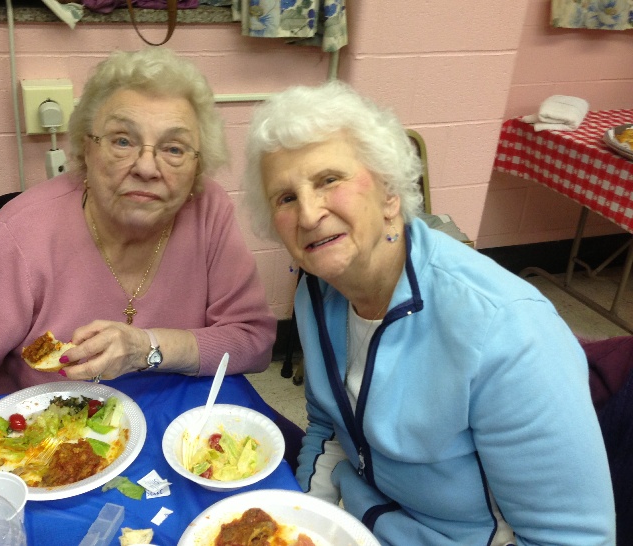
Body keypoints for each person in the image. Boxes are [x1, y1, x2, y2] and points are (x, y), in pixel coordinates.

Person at [0, 48, 276, 527]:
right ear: (86, 149)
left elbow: (252, 340)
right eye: (123, 140)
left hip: (178, 442)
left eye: (173, 148)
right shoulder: (21, 233)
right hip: (43, 463)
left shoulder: (208, 212)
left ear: (196, 168)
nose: (148, 167)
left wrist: (147, 348)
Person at [243, 80, 615, 545]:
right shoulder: (316, 291)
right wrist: (298, 526)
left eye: (328, 180)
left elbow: (572, 540)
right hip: (362, 522)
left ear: (390, 194)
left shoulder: (507, 331)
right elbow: (328, 426)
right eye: (286, 197)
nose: (308, 214)